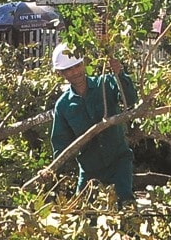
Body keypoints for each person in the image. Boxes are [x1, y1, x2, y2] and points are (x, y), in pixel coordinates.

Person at [49, 42, 138, 204]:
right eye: (68, 69)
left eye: (77, 66)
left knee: (125, 205)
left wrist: (120, 74)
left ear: (84, 64)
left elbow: (130, 100)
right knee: (83, 210)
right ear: (61, 73)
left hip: (118, 162)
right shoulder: (63, 106)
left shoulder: (105, 84)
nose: (74, 72)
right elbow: (60, 143)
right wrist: (52, 170)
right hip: (90, 169)